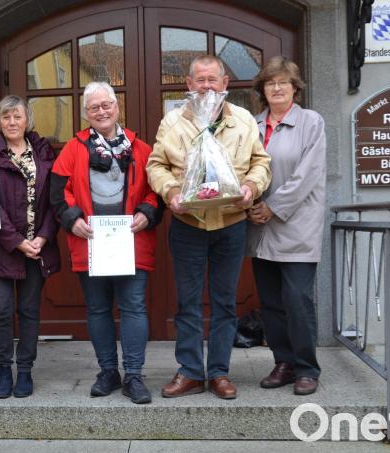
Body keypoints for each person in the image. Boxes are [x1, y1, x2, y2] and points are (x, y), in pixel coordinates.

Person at [147, 55, 271, 400]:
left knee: (224, 302)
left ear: (225, 83)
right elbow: (156, 165)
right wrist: (170, 192)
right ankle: (189, 372)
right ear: (188, 85)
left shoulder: (243, 120)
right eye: (199, 80)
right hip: (188, 222)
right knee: (186, 302)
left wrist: (252, 188)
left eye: (212, 80)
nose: (206, 86)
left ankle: (218, 373)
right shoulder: (172, 122)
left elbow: (261, 162)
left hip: (231, 223)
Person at [50, 81, 163, 405]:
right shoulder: (73, 148)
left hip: (131, 243)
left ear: (117, 107)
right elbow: (58, 192)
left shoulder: (141, 148)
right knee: (98, 309)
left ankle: (135, 375)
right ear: (86, 113)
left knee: (133, 308)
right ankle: (108, 372)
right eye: (94, 107)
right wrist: (73, 219)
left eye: (107, 105)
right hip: (91, 244)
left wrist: (148, 212)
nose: (101, 111)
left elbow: (158, 190)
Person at [246, 56, 326, 396]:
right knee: (272, 302)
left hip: (295, 225)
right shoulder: (251, 123)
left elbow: (307, 174)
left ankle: (307, 367)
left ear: (295, 87)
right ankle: (284, 362)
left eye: (283, 82)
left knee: (297, 299)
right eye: (270, 83)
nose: (277, 88)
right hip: (259, 226)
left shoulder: (311, 122)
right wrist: (249, 204)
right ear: (262, 90)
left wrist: (273, 208)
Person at [0, 95, 60, 398]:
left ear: (28, 121)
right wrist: (16, 241)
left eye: (18, 117)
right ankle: (3, 371)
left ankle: (24, 370)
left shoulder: (42, 150)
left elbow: (55, 199)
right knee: (1, 311)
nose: (12, 122)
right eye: (6, 117)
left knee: (28, 310)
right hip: (0, 248)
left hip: (37, 248)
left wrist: (44, 237)